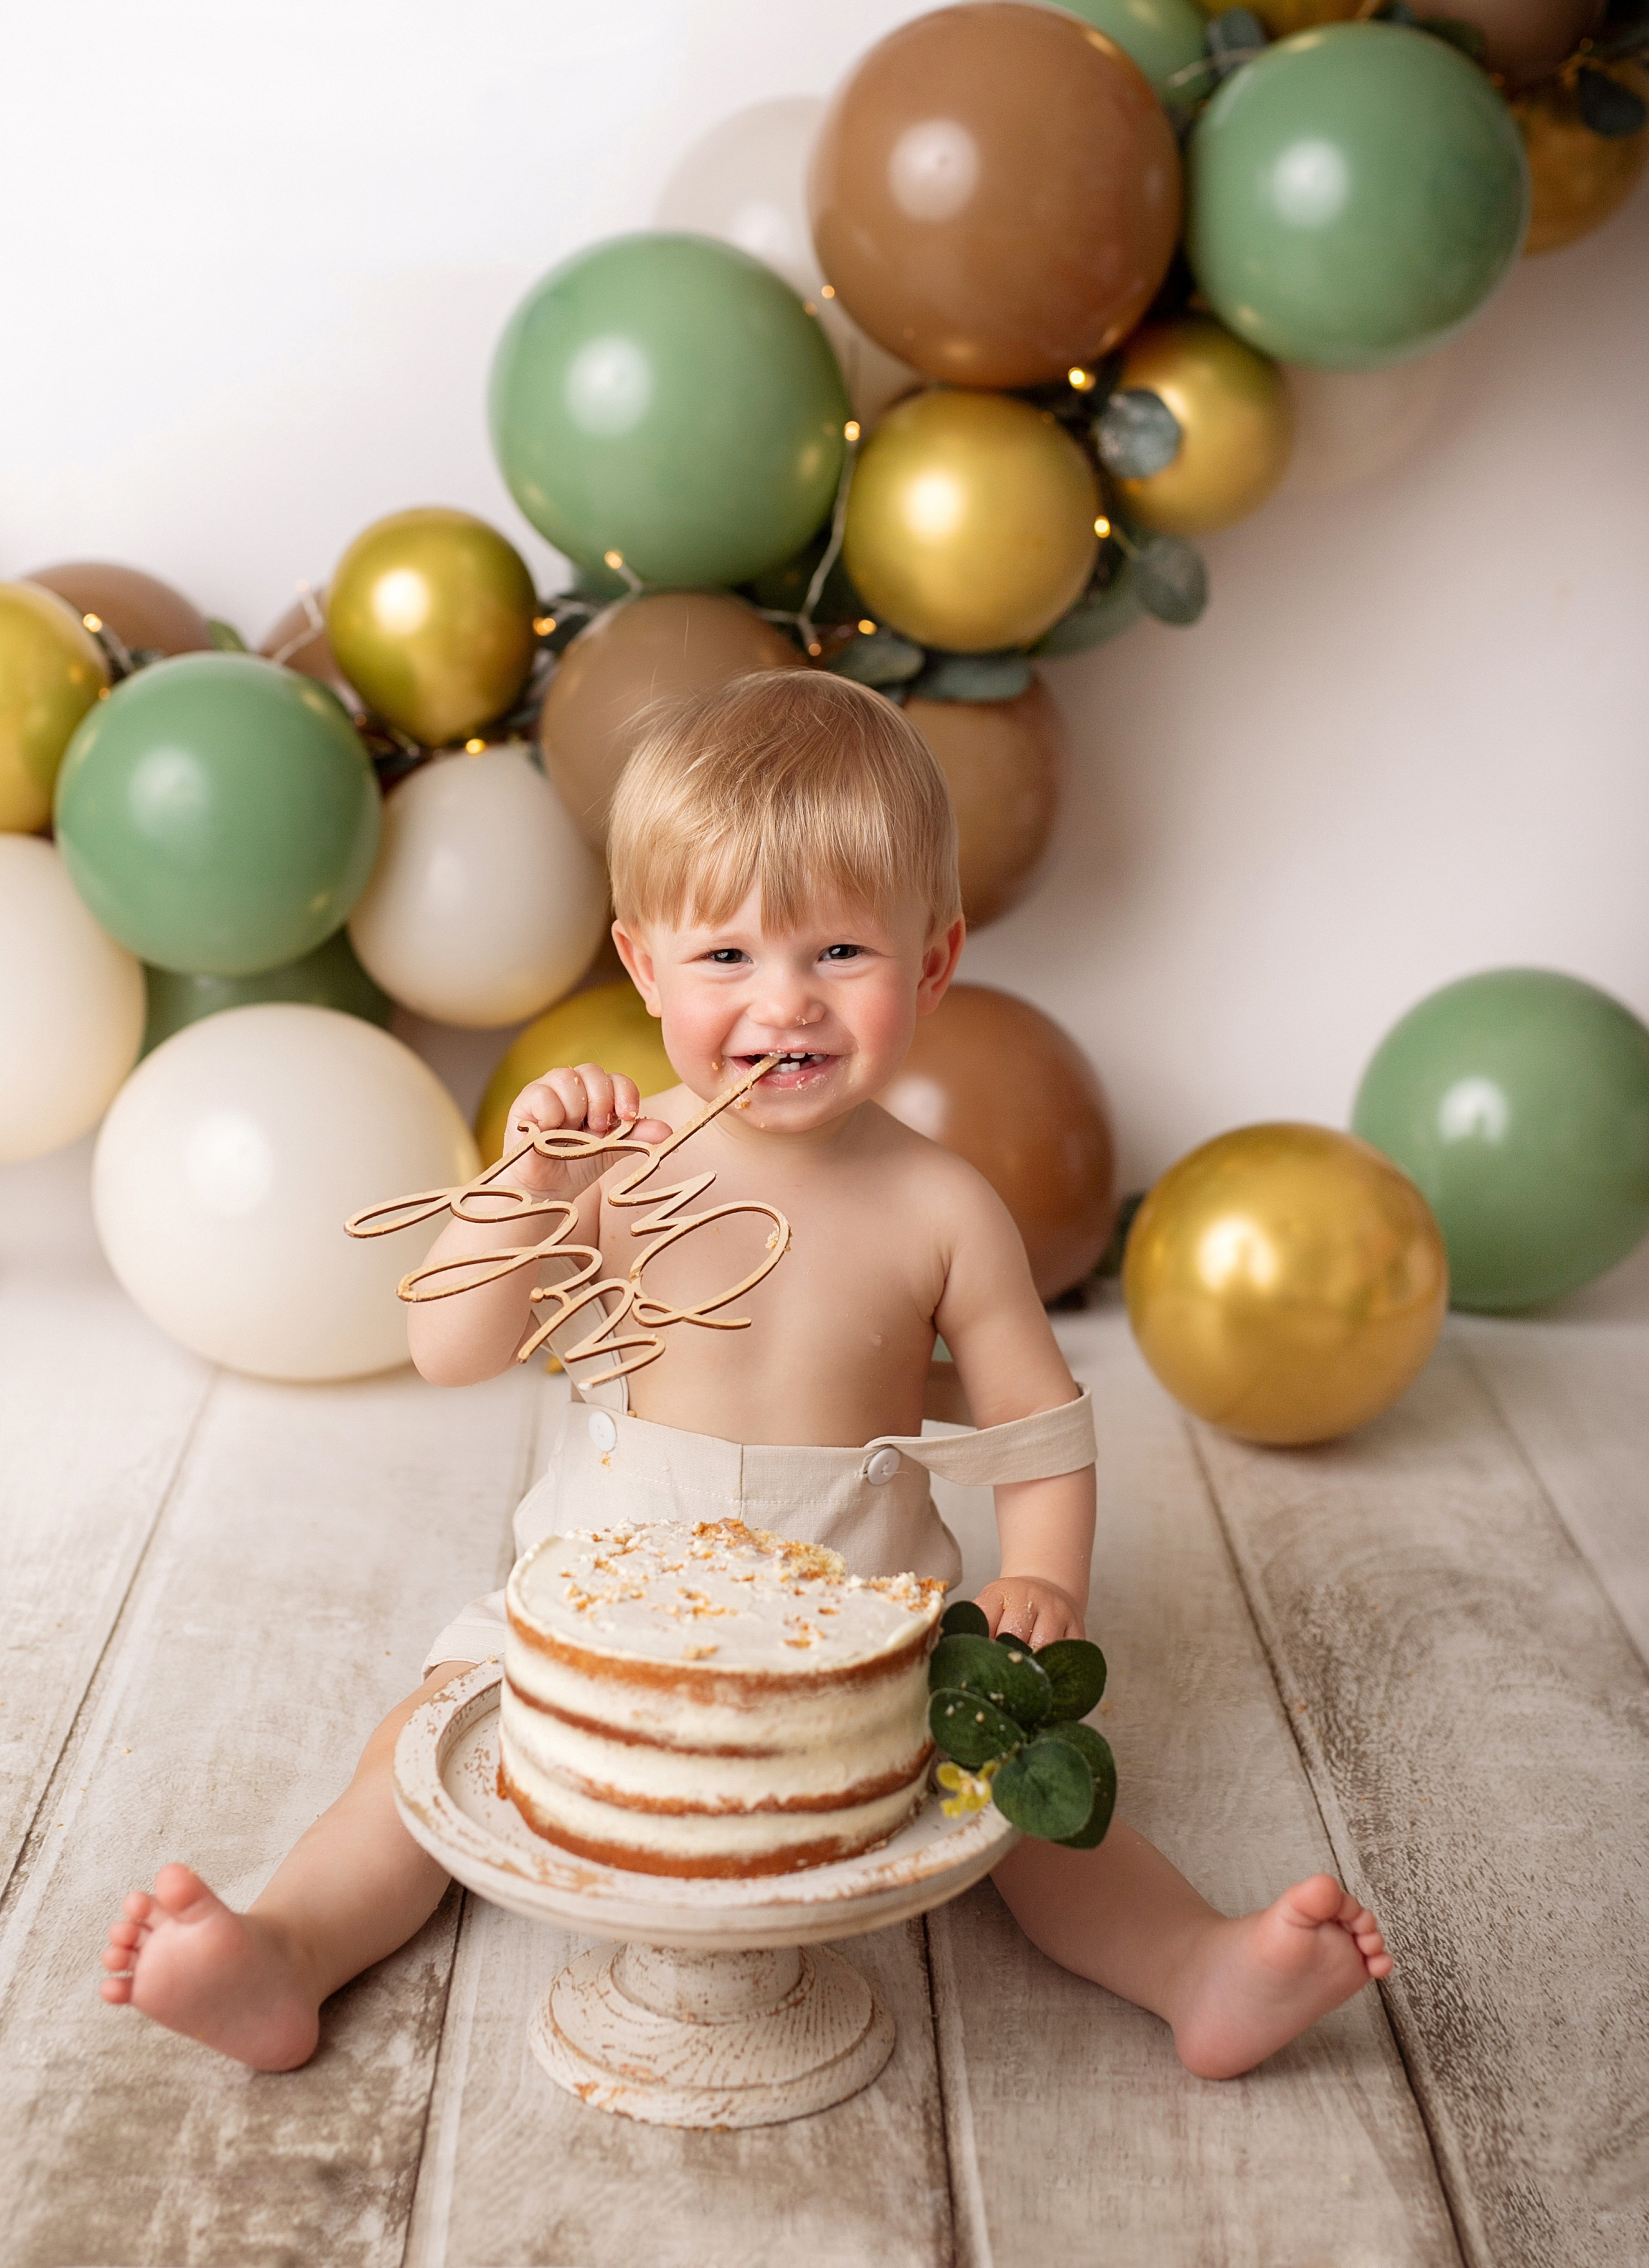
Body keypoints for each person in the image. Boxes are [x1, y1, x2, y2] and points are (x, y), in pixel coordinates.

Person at [100, 670, 1388, 2078]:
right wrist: (533, 1178)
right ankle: (287, 1950)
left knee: (1021, 1805)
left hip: (855, 1613)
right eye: (726, 959)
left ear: (934, 962)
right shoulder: (624, 1163)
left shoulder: (940, 1205)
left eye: (839, 952)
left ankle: (1190, 1965)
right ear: (642, 967)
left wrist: (1045, 1581)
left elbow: (1035, 1417)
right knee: (419, 1752)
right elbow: (448, 1345)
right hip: (608, 1582)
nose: (785, 1005)